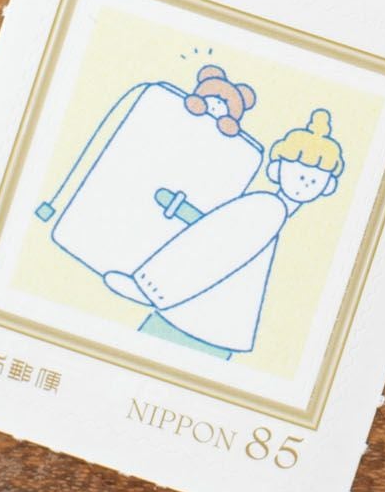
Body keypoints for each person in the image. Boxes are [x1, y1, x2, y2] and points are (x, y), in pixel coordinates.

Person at [102, 107, 346, 355]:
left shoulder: (270, 209)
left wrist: (150, 288)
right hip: (209, 322)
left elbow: (211, 242)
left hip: (197, 318)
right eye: (300, 174)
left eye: (314, 180)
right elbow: (213, 240)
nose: (305, 182)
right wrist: (153, 287)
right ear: (276, 170)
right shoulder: (267, 207)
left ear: (327, 186)